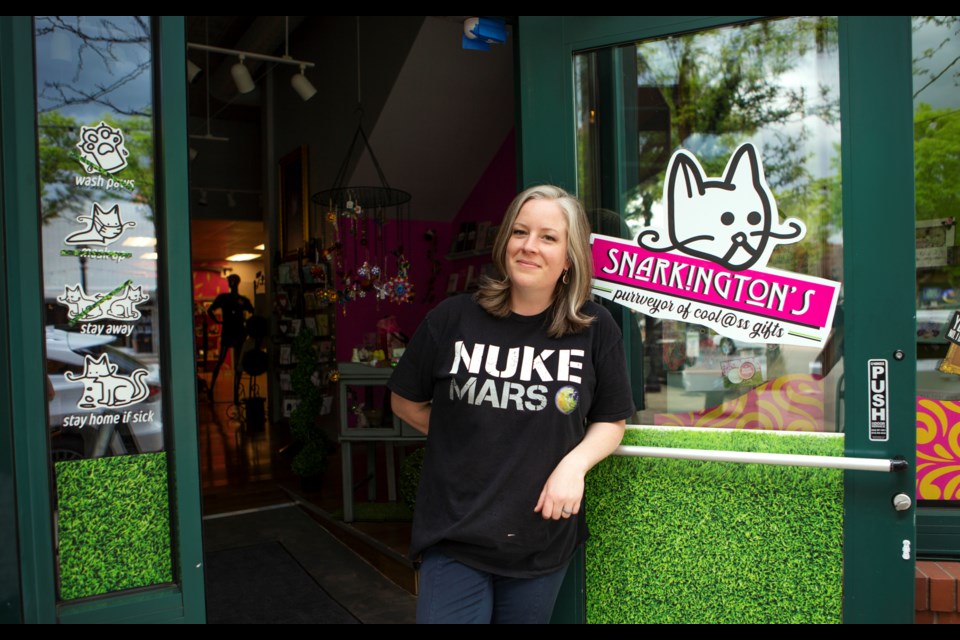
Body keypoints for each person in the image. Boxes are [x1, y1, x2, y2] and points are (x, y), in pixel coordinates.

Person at [389, 185, 635, 624]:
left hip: (538, 538)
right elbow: (405, 401)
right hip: (454, 532)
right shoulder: (452, 318)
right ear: (505, 242)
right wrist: (465, 437)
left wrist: (572, 466)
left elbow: (611, 422)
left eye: (548, 237)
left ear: (570, 256)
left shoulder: (596, 330)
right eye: (520, 232)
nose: (529, 246)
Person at [207, 274, 254, 403]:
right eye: (230, 281)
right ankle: (212, 391)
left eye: (233, 281)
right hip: (229, 331)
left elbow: (253, 311)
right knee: (221, 360)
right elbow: (210, 310)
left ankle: (235, 395)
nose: (231, 283)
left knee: (237, 363)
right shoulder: (224, 298)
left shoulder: (241, 299)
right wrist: (218, 322)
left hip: (237, 332)